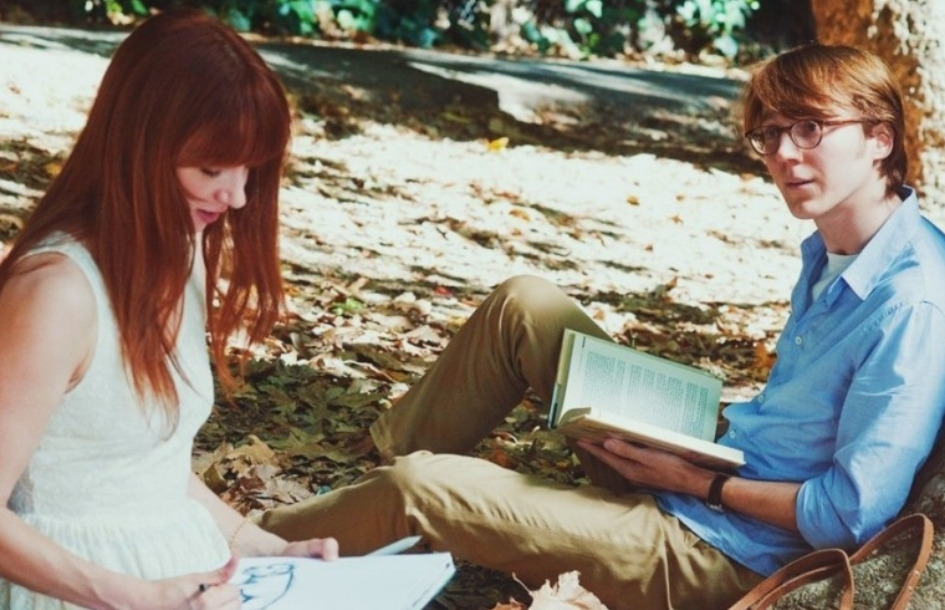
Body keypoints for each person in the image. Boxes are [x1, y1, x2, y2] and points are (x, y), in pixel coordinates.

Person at [254, 44, 945, 609]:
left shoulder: (911, 301)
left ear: (879, 137)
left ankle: (234, 552)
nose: (785, 153)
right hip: (722, 460)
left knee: (421, 489)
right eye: (770, 133)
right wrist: (691, 454)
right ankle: (361, 496)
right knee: (524, 304)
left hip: (724, 554)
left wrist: (693, 482)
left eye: (811, 128)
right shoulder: (842, 244)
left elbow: (850, 515)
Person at [0, 9, 338, 610]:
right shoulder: (57, 295)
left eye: (248, 170)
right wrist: (133, 597)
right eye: (211, 169)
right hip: (76, 590)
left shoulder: (185, 254)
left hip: (180, 572)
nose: (237, 196)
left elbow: (146, 470)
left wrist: (267, 548)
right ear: (141, 147)